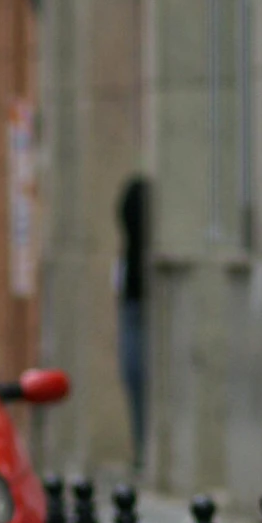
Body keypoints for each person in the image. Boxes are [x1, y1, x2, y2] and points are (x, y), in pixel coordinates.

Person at [116, 175, 149, 464]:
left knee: (137, 375)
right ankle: (143, 449)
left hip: (137, 308)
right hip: (134, 307)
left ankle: (144, 450)